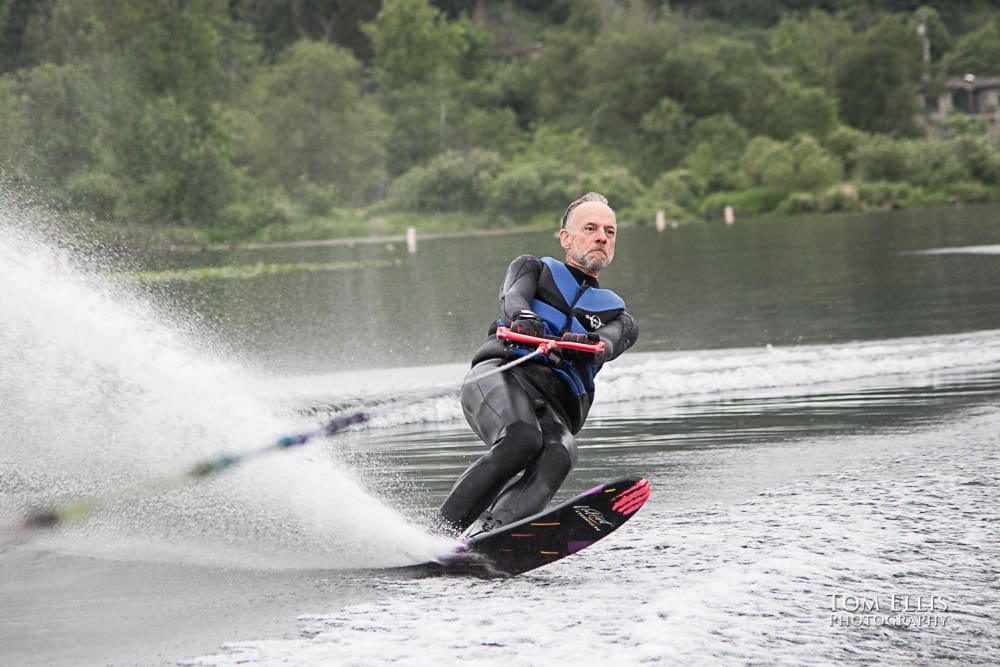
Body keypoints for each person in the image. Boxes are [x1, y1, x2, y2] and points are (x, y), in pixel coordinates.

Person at [437, 192, 639, 537]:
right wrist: (524, 315)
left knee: (559, 453)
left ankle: (491, 535)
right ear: (566, 238)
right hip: (501, 377)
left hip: (556, 407)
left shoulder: (621, 318)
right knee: (522, 438)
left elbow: (609, 342)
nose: (602, 237)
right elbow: (512, 296)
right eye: (590, 228)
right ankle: (437, 535)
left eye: (610, 231)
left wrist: (592, 346)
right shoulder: (532, 269)